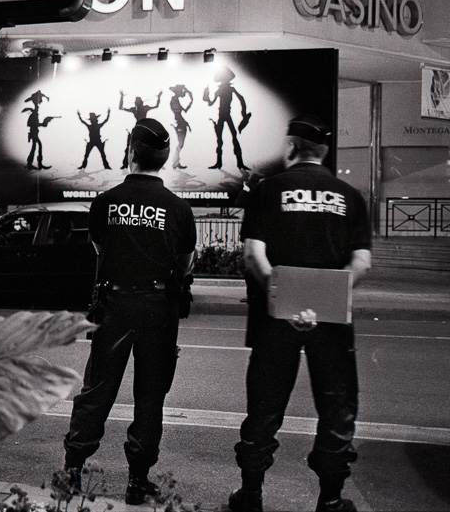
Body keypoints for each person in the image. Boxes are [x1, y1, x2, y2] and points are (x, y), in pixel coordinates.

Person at [228, 115, 372, 512]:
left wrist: (288, 301)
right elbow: (361, 262)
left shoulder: (267, 191)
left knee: (264, 406)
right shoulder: (350, 196)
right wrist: (321, 301)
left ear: (291, 147)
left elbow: (253, 254)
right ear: (324, 152)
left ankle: (251, 495)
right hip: (332, 324)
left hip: (274, 319)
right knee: (336, 408)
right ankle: (330, 499)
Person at [63, 118, 197, 505]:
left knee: (97, 389)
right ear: (166, 157)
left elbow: (101, 252)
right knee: (151, 396)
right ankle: (137, 481)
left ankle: (72, 471)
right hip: (158, 308)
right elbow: (185, 264)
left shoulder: (105, 203)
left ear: (131, 152)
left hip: (114, 305)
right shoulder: (178, 208)